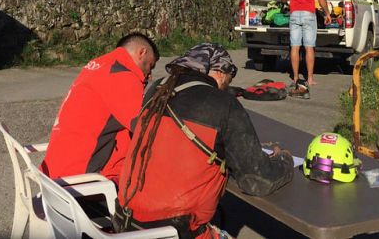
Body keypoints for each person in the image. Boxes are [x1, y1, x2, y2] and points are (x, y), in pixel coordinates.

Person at [114, 43, 294, 239]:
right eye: (229, 77)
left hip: (126, 223)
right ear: (219, 72)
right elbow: (258, 181)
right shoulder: (223, 104)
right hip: (177, 231)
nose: (227, 85)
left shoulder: (157, 90)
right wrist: (284, 159)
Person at [41, 32, 159, 182]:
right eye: (150, 66)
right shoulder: (122, 75)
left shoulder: (100, 64)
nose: (149, 75)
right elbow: (146, 128)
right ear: (142, 52)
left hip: (54, 170)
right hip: (81, 180)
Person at [279, 0, 331, 99]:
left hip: (295, 14)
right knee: (309, 47)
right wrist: (327, 13)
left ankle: (295, 77)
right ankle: (310, 78)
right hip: (309, 14)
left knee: (295, 47)